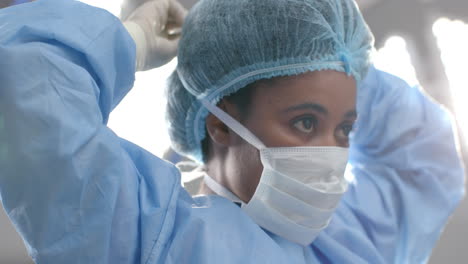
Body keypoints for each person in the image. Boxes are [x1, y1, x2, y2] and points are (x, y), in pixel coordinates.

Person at [0, 0, 464, 263]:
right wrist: (134, 40)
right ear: (220, 125)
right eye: (305, 122)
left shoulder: (352, 239)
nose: (332, 156)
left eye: (345, 129)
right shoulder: (147, 241)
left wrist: (324, 46)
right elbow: (24, 87)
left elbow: (426, 153)